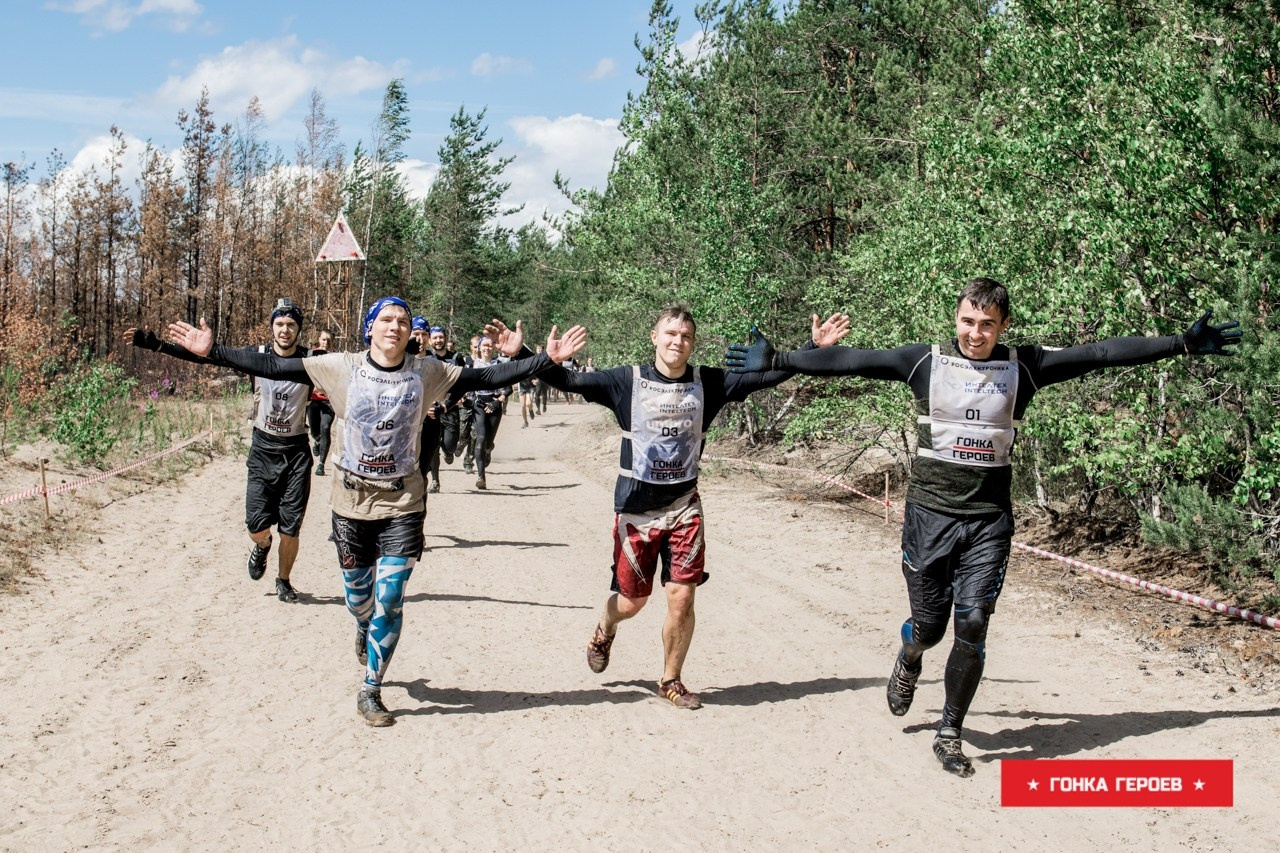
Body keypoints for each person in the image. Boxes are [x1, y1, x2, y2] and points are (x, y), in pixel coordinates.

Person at [725, 277, 1243, 776]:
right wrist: (782, 359)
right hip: (929, 518)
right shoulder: (924, 361)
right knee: (928, 629)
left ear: (1004, 325)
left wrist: (1179, 343)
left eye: (988, 324)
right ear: (957, 318)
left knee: (971, 624)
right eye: (969, 321)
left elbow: (1100, 354)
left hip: (988, 523)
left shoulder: (1025, 366)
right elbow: (852, 360)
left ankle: (949, 732)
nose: (976, 333)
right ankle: (909, 658)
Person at [158, 296, 588, 727]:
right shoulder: (340, 367)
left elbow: (488, 375)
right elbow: (273, 367)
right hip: (350, 502)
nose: (395, 327)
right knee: (359, 600)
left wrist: (540, 361)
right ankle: (362, 623)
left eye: (402, 320)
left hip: (403, 501)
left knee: (390, 597)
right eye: (386, 319)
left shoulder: (428, 372)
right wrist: (211, 352)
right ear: (370, 328)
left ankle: (371, 687)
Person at [533, 305, 850, 710]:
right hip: (636, 512)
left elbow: (770, 375)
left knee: (681, 596)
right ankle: (604, 628)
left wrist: (812, 348)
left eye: (684, 336)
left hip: (685, 506)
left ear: (692, 343)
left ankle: (671, 679)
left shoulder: (709, 382)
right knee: (631, 602)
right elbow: (570, 381)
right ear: (654, 337)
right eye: (669, 333)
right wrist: (534, 356)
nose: (676, 341)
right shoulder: (624, 381)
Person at [126, 298, 315, 604]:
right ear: (271, 328)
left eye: (291, 325)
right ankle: (263, 545)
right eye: (279, 324)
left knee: (291, 529)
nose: (284, 330)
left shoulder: (311, 362)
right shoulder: (257, 356)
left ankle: (284, 580)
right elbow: (208, 358)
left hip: (296, 453)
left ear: (299, 329)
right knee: (256, 526)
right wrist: (158, 345)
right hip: (263, 448)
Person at [420, 325, 467, 493]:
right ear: (430, 340)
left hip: (450, 407)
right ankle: (435, 482)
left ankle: (448, 451)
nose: (438, 340)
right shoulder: (426, 357)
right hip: (431, 408)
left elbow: (464, 380)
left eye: (441, 337)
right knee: (433, 447)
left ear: (445, 338)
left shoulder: (456, 357)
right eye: (435, 337)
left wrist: (460, 397)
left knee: (449, 446)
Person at [468, 336, 510, 490]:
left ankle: (488, 450)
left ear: (494, 348)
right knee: (480, 438)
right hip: (478, 404)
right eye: (484, 345)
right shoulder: (473, 365)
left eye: (490, 345)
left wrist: (497, 401)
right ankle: (481, 477)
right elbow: (465, 384)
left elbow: (508, 388)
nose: (487, 348)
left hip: (495, 404)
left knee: (488, 442)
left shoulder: (500, 365)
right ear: (478, 348)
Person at [308, 329, 336, 476]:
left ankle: (321, 465)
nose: (326, 342)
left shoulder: (335, 358)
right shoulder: (311, 355)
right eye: (324, 339)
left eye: (329, 340)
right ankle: (317, 441)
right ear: (319, 339)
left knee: (325, 428)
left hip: (329, 401)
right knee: (315, 431)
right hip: (313, 400)